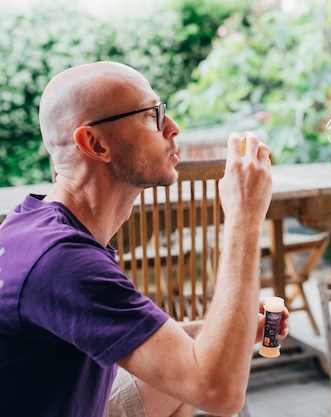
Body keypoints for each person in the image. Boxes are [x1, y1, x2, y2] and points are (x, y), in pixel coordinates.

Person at [0, 61, 288, 417]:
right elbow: (220, 394)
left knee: (180, 382)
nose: (172, 127)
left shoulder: (37, 223)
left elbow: (122, 332)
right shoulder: (63, 261)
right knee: (197, 383)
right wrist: (244, 218)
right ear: (95, 143)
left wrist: (234, 330)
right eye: (152, 114)